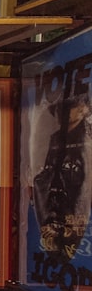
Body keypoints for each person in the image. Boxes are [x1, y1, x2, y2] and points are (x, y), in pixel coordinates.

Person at [33, 93, 92, 256]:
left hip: (77, 210)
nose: (60, 112)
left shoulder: (89, 136)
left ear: (83, 109)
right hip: (57, 209)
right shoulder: (55, 139)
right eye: (59, 108)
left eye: (67, 108)